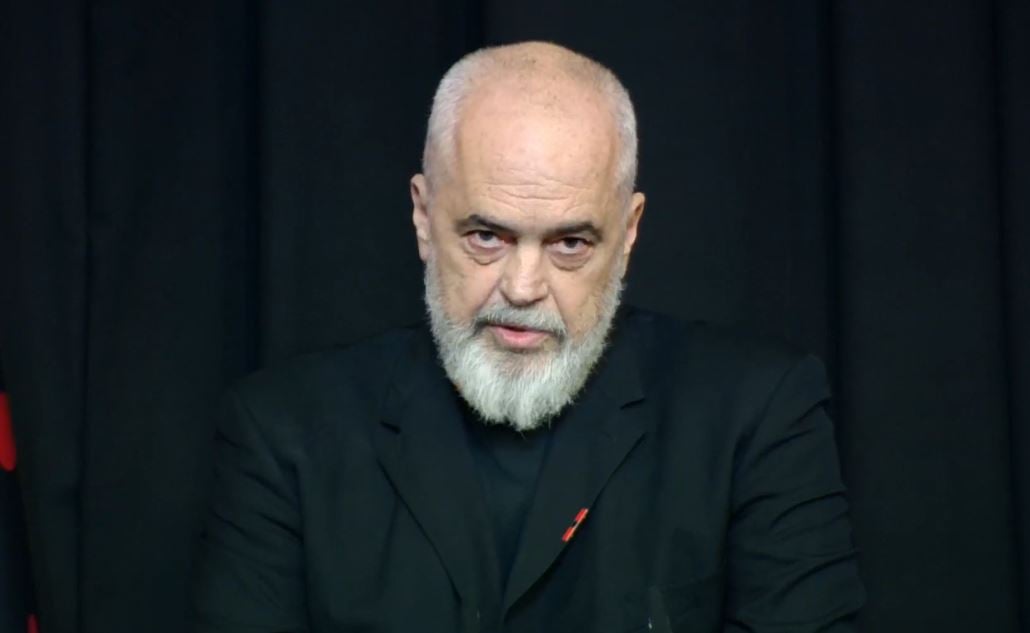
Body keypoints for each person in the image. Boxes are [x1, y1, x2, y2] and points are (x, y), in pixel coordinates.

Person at [192, 41, 865, 632]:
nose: (522, 286)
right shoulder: (281, 433)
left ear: (629, 233)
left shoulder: (760, 416)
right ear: (423, 216)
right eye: (487, 236)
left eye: (570, 243)